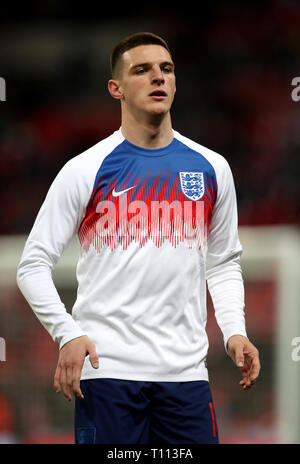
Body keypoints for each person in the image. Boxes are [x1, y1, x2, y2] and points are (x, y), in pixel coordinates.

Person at [17, 32, 260, 445]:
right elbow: (33, 264)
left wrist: (234, 330)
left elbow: (222, 262)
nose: (157, 78)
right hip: (109, 374)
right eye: (142, 70)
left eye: (166, 69)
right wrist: (68, 333)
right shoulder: (85, 170)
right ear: (116, 88)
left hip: (185, 377)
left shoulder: (212, 168)